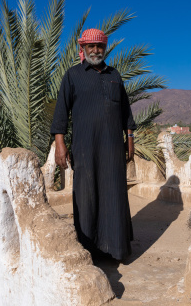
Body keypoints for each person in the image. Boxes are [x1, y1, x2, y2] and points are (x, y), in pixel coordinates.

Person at [50, 28, 136, 260]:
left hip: (112, 147)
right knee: (86, 196)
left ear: (104, 48)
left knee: (114, 193)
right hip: (84, 147)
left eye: (100, 47)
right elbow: (61, 113)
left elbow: (126, 110)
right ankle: (90, 251)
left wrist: (129, 138)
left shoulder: (114, 75)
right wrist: (60, 144)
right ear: (83, 49)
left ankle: (116, 249)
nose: (96, 50)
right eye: (91, 47)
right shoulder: (73, 75)